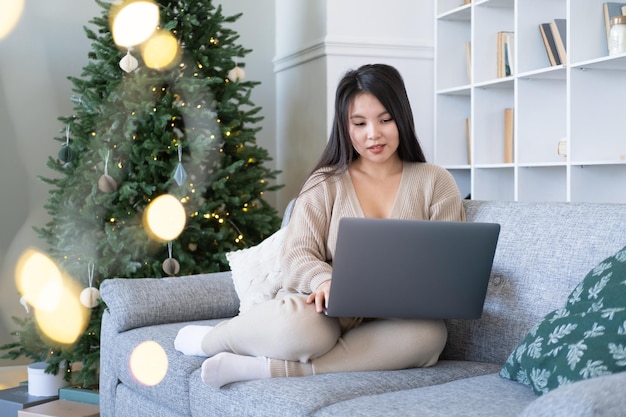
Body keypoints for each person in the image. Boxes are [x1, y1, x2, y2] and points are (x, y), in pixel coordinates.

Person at [174, 63, 466, 388]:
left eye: (385, 120)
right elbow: (296, 254)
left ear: (403, 117)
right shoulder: (326, 182)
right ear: (345, 126)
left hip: (391, 321)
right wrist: (325, 280)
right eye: (359, 123)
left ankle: (267, 369)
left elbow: (449, 263)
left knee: (430, 335)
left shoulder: (436, 181)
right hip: (321, 310)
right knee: (299, 330)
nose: (373, 134)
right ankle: (211, 340)